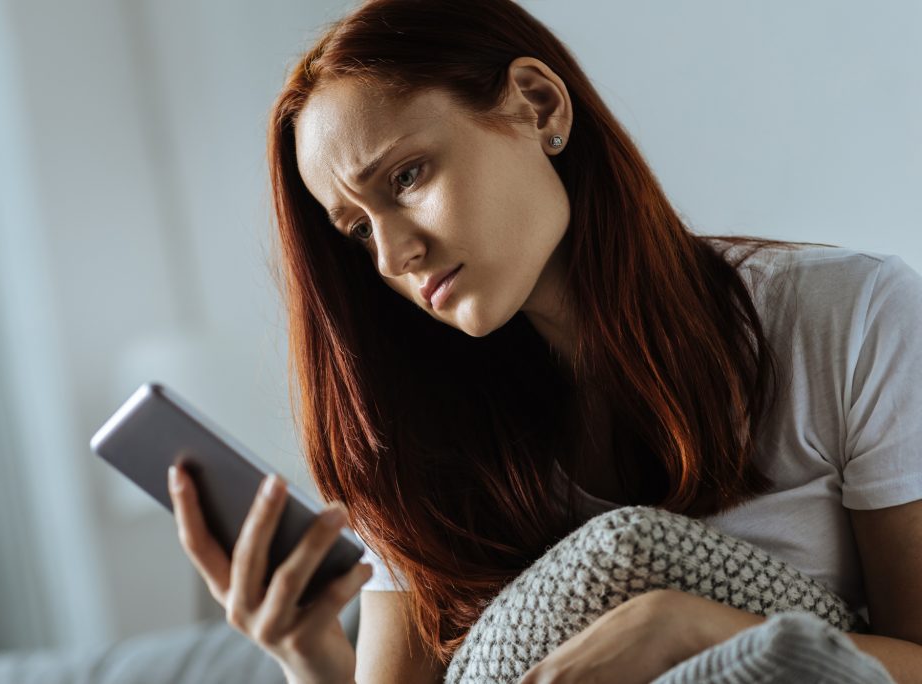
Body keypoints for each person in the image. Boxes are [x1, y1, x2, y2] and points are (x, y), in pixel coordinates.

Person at [164, 0, 922, 682]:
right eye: (359, 231)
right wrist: (311, 657)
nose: (394, 257)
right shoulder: (415, 440)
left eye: (407, 177)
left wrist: (684, 627)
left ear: (538, 104)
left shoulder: (849, 318)